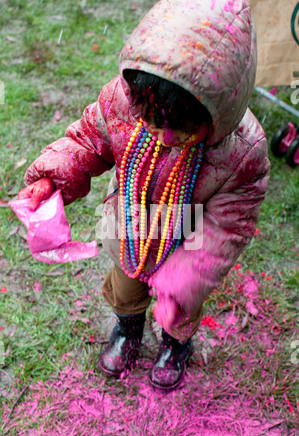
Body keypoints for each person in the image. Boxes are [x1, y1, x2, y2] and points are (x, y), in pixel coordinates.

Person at [18, 0, 270, 391]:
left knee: (180, 309)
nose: (165, 138)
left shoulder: (243, 152)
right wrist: (51, 179)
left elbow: (228, 226)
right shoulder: (122, 100)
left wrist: (181, 284)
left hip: (187, 238)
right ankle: (128, 328)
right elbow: (88, 141)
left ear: (221, 109)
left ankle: (174, 345)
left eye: (183, 130)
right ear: (136, 90)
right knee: (124, 288)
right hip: (127, 222)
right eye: (152, 123)